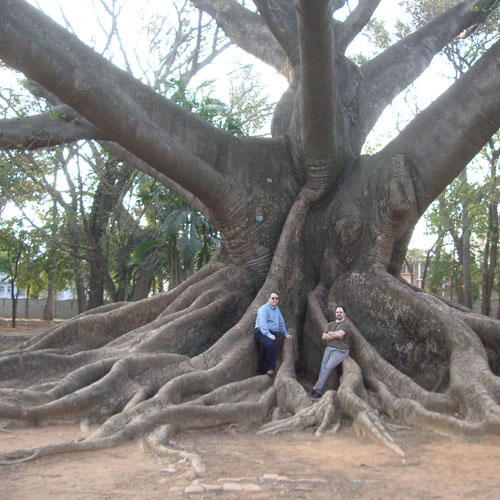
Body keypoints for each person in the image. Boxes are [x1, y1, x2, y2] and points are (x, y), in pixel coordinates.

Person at [310, 305, 351, 399]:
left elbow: (340, 335)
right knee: (323, 368)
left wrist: (330, 333)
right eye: (337, 312)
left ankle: (317, 389)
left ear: (344, 314)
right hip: (329, 349)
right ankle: (319, 390)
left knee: (328, 367)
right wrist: (334, 334)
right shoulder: (330, 324)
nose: (338, 314)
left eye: (340, 312)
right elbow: (324, 336)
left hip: (340, 350)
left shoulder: (346, 325)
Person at [254, 292, 292, 376]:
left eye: (276, 298)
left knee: (266, 350)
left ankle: (262, 371)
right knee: (271, 345)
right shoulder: (263, 309)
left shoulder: (276, 309)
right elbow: (263, 323)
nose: (275, 300)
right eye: (273, 298)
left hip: (271, 333)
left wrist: (285, 333)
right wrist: (268, 334)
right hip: (261, 332)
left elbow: (281, 322)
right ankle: (271, 368)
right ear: (268, 299)